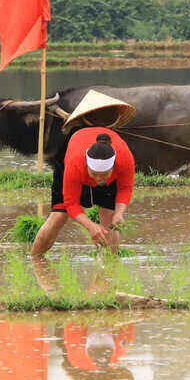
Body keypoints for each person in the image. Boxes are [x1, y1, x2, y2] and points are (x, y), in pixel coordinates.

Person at [31, 91, 136, 256]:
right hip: (71, 156)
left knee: (110, 220)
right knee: (58, 216)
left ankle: (110, 267)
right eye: (94, 174)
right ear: (87, 166)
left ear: (113, 167)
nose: (99, 180)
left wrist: (119, 213)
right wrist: (90, 227)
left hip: (106, 169)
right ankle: (35, 260)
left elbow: (125, 188)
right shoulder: (74, 164)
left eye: (104, 174)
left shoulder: (125, 158)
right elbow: (71, 203)